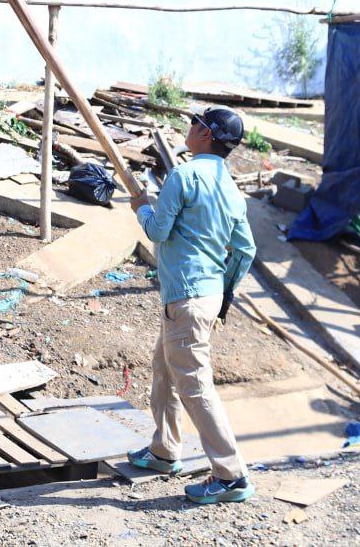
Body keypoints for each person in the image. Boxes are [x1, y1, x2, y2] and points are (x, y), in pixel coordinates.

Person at [125, 106, 257, 504]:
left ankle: (231, 476)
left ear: (206, 134)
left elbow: (157, 231)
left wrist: (141, 206)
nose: (190, 126)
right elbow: (245, 251)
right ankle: (165, 450)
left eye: (196, 122)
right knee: (165, 368)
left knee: (195, 386)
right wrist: (225, 296)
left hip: (185, 297)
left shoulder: (183, 176)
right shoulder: (231, 190)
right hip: (205, 296)